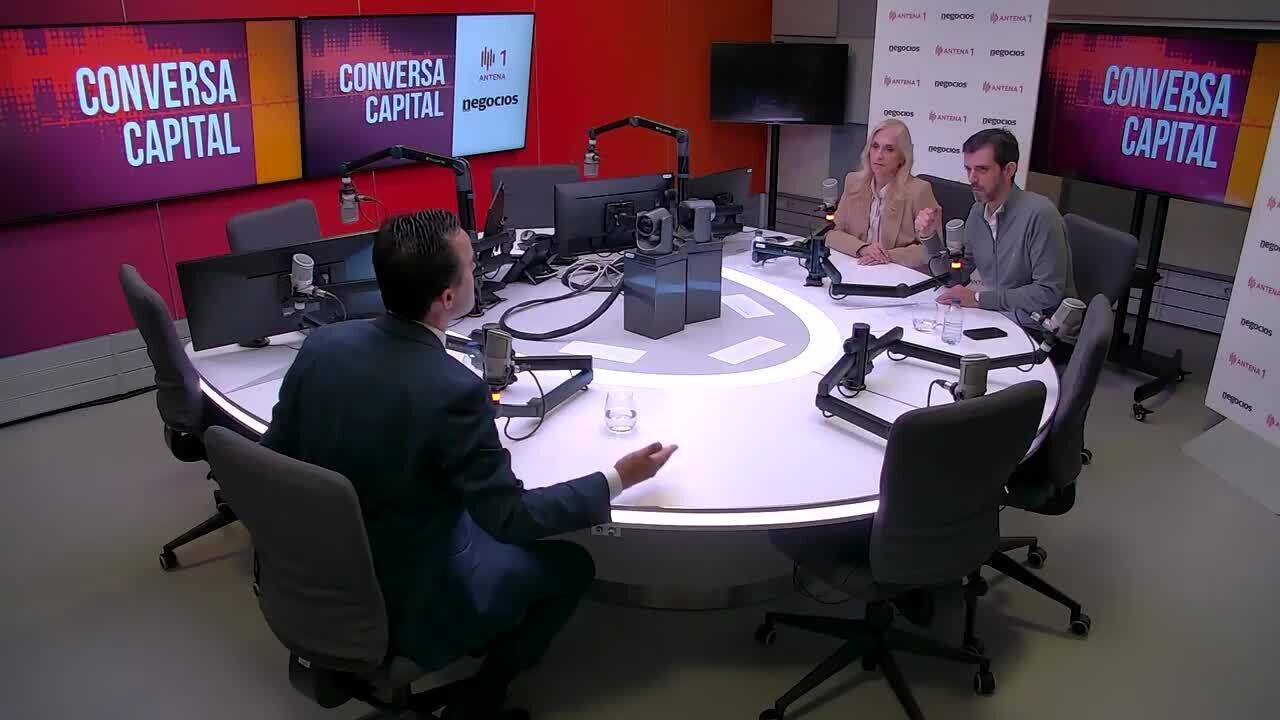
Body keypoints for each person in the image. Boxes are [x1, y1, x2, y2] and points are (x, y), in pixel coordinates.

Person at [262, 209, 678, 720]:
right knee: (573, 565)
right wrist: (617, 478)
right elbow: (510, 518)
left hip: (317, 569)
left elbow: (273, 457)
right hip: (410, 598)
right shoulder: (453, 390)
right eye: (471, 266)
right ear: (447, 298)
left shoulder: (323, 346)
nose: (478, 270)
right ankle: (483, 697)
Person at [935, 129, 1076, 326]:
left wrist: (978, 299)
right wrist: (929, 238)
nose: (972, 179)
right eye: (968, 169)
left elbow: (1048, 291)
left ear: (1009, 170)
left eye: (982, 169)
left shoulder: (1041, 214)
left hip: (1039, 329)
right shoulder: (977, 212)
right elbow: (958, 274)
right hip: (999, 317)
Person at [826, 118, 942, 272]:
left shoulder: (919, 191)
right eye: (875, 147)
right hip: (856, 267)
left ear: (902, 157)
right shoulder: (854, 182)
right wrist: (863, 248)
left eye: (889, 149)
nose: (878, 156)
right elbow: (832, 234)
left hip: (896, 273)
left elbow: (932, 250)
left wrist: (885, 256)